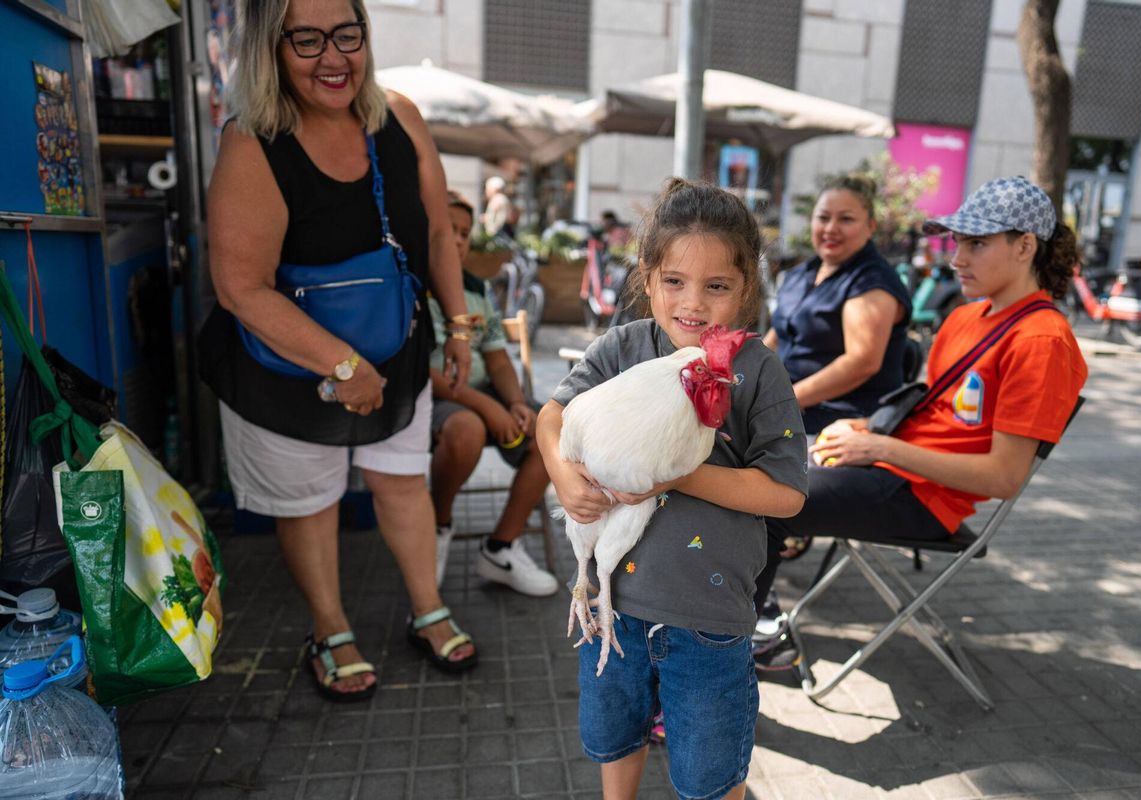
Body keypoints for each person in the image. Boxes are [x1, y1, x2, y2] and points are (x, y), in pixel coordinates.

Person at [198, 0, 478, 701]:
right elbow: (239, 287)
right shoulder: (251, 142)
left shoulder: (399, 116)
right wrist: (343, 366)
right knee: (310, 502)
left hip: (395, 348)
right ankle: (330, 629)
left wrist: (459, 324)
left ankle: (427, 608)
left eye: (347, 34)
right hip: (283, 365)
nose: (334, 57)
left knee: (402, 480)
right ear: (271, 48)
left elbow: (437, 234)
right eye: (307, 40)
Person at [538, 179, 809, 800]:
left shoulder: (757, 370)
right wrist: (561, 473)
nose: (693, 303)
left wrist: (677, 472)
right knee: (615, 734)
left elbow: (787, 493)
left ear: (746, 287)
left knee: (709, 769)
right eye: (675, 281)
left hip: (708, 614)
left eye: (717, 286)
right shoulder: (622, 348)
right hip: (612, 603)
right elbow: (553, 414)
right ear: (647, 275)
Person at [757, 176, 1088, 620]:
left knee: (764, 499)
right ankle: (734, 626)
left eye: (976, 244)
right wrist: (866, 428)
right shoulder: (965, 318)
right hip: (891, 469)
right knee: (748, 472)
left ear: (1025, 246)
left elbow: (1003, 477)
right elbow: (936, 415)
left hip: (925, 499)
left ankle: (734, 637)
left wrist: (878, 446)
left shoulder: (1042, 341)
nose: (957, 258)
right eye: (958, 242)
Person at [755, 174, 911, 641]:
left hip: (839, 420)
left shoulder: (872, 281)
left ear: (870, 226)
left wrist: (781, 401)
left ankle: (756, 611)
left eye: (846, 219)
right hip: (787, 413)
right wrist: (743, 378)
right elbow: (777, 337)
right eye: (824, 217)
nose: (831, 228)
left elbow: (861, 362)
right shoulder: (804, 272)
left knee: (741, 482)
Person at [428, 192, 557, 596]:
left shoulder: (476, 289)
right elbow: (417, 370)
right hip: (431, 396)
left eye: (465, 232)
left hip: (482, 390)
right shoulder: (411, 287)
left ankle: (500, 548)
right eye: (448, 229)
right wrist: (486, 407)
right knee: (466, 430)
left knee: (550, 430)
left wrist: (515, 403)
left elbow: (498, 360)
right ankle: (436, 526)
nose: (458, 239)